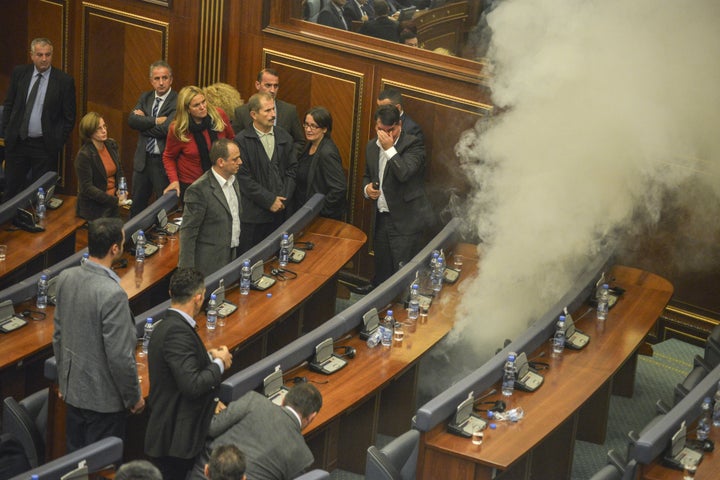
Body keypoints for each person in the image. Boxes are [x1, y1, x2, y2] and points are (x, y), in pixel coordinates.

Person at [52, 217, 144, 453]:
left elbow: (59, 336)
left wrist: (64, 381)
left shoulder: (65, 278)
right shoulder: (113, 294)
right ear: (115, 248)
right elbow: (120, 356)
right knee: (101, 468)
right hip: (104, 403)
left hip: (73, 393)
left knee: (76, 466)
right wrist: (133, 397)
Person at [145, 268, 233, 480]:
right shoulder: (176, 331)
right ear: (199, 297)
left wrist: (207, 358)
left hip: (175, 435)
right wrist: (220, 364)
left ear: (170, 292)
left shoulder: (170, 326)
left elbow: (183, 369)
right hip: (174, 440)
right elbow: (192, 385)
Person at [362, 104, 433, 287]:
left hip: (405, 223)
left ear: (399, 125)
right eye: (380, 130)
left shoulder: (413, 144)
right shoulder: (371, 146)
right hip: (381, 220)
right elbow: (367, 176)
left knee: (403, 277)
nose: (386, 135)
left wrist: (389, 149)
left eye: (391, 130)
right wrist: (367, 189)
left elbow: (404, 173)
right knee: (383, 272)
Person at [189, 383, 323, 480]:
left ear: (283, 400)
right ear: (312, 417)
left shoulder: (253, 401)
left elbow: (211, 428)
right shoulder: (303, 456)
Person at [1, 37, 76, 202]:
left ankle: (33, 222)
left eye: (48, 55)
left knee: (39, 193)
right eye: (40, 54)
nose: (44, 59)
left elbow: (69, 118)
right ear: (32, 55)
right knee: (12, 189)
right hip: (18, 143)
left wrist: (57, 140)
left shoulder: (64, 81)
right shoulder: (19, 73)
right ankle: (8, 224)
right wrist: (8, 131)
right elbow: (9, 104)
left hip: (44, 146)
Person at [235, 92, 298, 253]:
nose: (273, 115)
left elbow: (292, 170)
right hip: (253, 218)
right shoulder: (241, 141)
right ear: (253, 115)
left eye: (273, 110)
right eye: (267, 111)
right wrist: (270, 200)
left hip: (281, 214)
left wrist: (283, 198)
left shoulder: (284, 136)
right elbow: (243, 178)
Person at [179, 139, 242, 276]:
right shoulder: (198, 190)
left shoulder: (234, 180)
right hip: (208, 264)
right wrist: (186, 272)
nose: (240, 162)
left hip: (231, 255)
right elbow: (188, 232)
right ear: (221, 162)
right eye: (235, 159)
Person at [162, 85, 235, 201]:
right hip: (192, 185)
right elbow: (169, 157)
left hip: (221, 179)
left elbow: (231, 140)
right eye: (196, 105)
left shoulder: (219, 115)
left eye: (203, 102)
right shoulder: (178, 128)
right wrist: (174, 181)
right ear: (187, 109)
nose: (202, 107)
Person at [128, 60, 177, 217]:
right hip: (143, 161)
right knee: (137, 206)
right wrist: (155, 120)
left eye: (165, 78)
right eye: (157, 79)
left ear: (171, 79)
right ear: (151, 81)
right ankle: (131, 241)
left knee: (164, 209)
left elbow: (165, 130)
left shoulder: (177, 101)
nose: (161, 83)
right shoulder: (146, 97)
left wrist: (143, 125)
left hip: (162, 163)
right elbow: (132, 121)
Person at [291, 106, 347, 220]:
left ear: (324, 129)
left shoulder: (327, 153)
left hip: (319, 217)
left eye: (313, 126)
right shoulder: (309, 145)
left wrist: (319, 210)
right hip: (303, 211)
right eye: (306, 124)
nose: (308, 129)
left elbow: (339, 188)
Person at [233, 69, 304, 155]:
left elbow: (299, 142)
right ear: (257, 85)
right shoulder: (242, 112)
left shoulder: (289, 111)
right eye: (268, 85)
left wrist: (288, 158)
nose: (272, 90)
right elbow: (235, 144)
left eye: (276, 86)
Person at [74, 112, 125, 221]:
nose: (104, 130)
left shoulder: (111, 144)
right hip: (94, 208)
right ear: (90, 132)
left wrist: (122, 189)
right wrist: (113, 200)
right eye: (98, 128)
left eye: (104, 126)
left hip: (113, 203)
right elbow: (87, 188)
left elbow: (119, 171)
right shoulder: (84, 155)